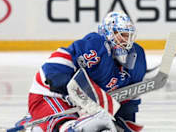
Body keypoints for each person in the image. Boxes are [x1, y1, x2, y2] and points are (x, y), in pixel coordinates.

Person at [16, 11, 147, 131]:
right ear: (108, 33)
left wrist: (123, 122)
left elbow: (127, 97)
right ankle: (34, 122)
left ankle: (35, 121)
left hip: (83, 104)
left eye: (129, 36)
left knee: (98, 125)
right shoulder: (96, 46)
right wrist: (64, 85)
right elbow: (56, 63)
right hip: (50, 94)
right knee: (69, 128)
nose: (126, 41)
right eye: (122, 35)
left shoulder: (137, 57)